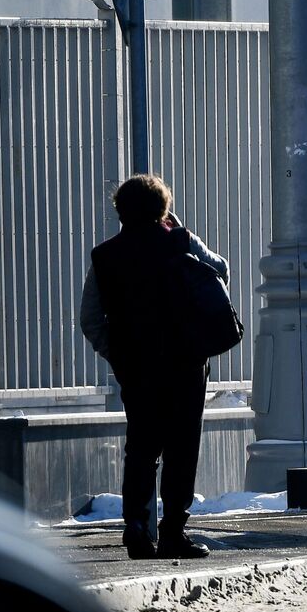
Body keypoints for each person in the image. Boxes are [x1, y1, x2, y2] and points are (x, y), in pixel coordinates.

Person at [79, 174, 229, 560]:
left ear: (120, 210)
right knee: (182, 447)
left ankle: (135, 527)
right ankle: (174, 530)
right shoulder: (179, 240)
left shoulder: (104, 256)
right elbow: (220, 269)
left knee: (142, 447)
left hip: (136, 366)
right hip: (186, 361)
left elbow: (91, 318)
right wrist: (180, 231)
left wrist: (115, 354)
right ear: (164, 208)